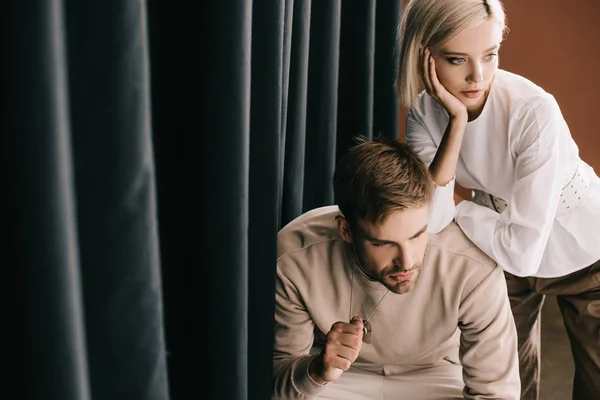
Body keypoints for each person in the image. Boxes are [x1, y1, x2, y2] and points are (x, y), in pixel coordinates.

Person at [397, 0, 600, 399]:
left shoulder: (534, 111)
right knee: (503, 382)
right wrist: (455, 122)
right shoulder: (424, 114)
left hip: (586, 251)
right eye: (457, 59)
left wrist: (466, 210)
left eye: (490, 55)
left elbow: (522, 248)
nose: (478, 76)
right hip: (503, 250)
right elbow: (433, 219)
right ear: (425, 55)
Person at [271, 137, 520, 399]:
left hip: (437, 375)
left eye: (417, 235)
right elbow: (276, 381)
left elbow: (496, 393)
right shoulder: (295, 256)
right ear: (346, 230)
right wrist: (318, 370)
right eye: (383, 243)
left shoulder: (473, 267)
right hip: (338, 382)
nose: (407, 260)